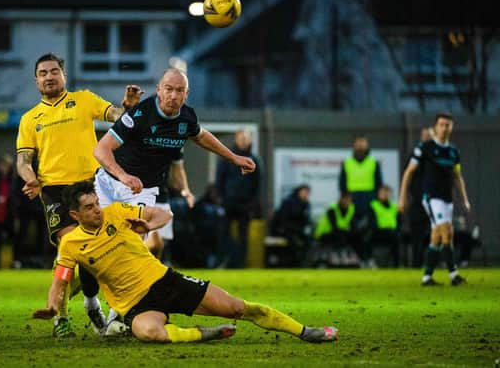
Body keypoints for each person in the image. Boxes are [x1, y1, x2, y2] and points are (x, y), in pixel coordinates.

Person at [33, 180, 338, 344]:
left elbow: (165, 214)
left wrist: (150, 225)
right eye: (89, 207)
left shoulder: (116, 212)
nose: (97, 210)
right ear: (75, 215)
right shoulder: (71, 244)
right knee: (148, 332)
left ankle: (304, 331)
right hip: (135, 306)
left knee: (236, 307)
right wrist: (51, 306)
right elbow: (60, 280)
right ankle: (206, 333)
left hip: (166, 281)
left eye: (97, 203)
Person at [91, 68, 256, 327]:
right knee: (95, 246)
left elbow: (203, 137)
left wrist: (234, 158)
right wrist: (123, 175)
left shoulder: (187, 118)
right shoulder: (141, 113)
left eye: (179, 91)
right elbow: (101, 150)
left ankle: (116, 314)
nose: (172, 95)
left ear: (186, 94)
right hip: (108, 182)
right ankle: (90, 303)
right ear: (159, 89)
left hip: (142, 190)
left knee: (130, 248)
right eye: (168, 89)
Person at [16, 52, 142, 337]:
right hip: (54, 191)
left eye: (53, 71)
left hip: (91, 184)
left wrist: (129, 109)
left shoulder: (84, 99)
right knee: (72, 248)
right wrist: (31, 178)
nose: (49, 76)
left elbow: (115, 116)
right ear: (36, 80)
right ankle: (61, 319)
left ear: (64, 75)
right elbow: (23, 161)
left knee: (92, 250)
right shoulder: (29, 119)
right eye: (43, 73)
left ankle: (90, 302)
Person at [399, 112, 471, 286]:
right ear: (435, 127)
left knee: (437, 236)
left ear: (452, 127)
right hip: (431, 198)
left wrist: (465, 199)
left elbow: (457, 176)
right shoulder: (426, 148)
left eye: (448, 125)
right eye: (441, 124)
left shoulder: (453, 152)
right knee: (447, 231)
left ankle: (427, 277)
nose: (445, 128)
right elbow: (409, 172)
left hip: (447, 199)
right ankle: (454, 275)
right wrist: (402, 197)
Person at [215, 128, 262, 268]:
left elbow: (258, 183)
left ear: (250, 140)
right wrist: (221, 199)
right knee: (223, 233)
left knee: (243, 236)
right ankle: (223, 260)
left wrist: (252, 203)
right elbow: (219, 180)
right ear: (236, 139)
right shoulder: (227, 159)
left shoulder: (255, 161)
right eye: (241, 138)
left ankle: (239, 263)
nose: (243, 141)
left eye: (245, 138)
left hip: (245, 204)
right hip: (228, 202)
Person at [338, 134, 383, 238]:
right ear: (353, 146)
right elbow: (342, 183)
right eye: (358, 143)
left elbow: (378, 183)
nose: (360, 146)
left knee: (369, 228)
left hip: (369, 198)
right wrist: (345, 198)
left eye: (363, 143)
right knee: (352, 228)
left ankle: (367, 252)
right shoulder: (347, 163)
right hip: (352, 199)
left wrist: (375, 198)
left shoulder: (373, 163)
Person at [404, 127, 434, 267]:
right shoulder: (415, 155)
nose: (427, 138)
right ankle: (417, 265)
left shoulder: (439, 155)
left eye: (429, 136)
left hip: (435, 202)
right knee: (416, 236)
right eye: (425, 136)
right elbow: (407, 176)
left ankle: (434, 264)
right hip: (417, 202)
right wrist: (404, 196)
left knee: (437, 235)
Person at [313, 191, 363, 268]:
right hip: (323, 233)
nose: (347, 202)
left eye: (349, 200)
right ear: (341, 199)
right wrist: (347, 232)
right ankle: (338, 255)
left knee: (356, 236)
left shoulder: (351, 209)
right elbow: (334, 227)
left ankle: (362, 259)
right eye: (346, 199)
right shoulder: (332, 209)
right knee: (340, 234)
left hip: (339, 232)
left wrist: (353, 232)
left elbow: (353, 225)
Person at [269, 184, 313, 267]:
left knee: (309, 240)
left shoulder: (306, 205)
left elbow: (306, 221)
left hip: (296, 230)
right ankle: (292, 264)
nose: (306, 194)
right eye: (304, 192)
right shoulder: (288, 202)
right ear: (299, 192)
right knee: (292, 241)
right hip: (283, 230)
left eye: (307, 193)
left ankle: (302, 263)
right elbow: (283, 221)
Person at [366, 184, 400, 268]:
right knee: (367, 237)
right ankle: (370, 261)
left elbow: (399, 222)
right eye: (383, 193)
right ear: (378, 194)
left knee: (398, 238)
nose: (385, 195)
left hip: (392, 232)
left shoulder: (394, 206)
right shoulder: (373, 205)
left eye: (387, 193)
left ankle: (397, 265)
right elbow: (371, 222)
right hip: (378, 232)